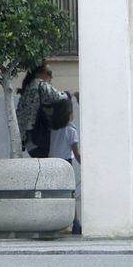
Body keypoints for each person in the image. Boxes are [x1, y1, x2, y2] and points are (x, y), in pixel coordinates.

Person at [16, 63, 68, 158]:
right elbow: (58, 97)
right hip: (39, 137)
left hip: (28, 139)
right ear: (38, 73)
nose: (51, 76)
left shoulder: (27, 88)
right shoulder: (40, 85)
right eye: (49, 72)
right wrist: (69, 94)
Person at [49, 96, 82, 235]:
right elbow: (76, 152)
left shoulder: (52, 129)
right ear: (69, 114)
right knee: (70, 193)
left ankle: (58, 223)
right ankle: (75, 223)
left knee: (55, 193)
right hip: (65, 164)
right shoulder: (71, 131)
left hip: (51, 163)